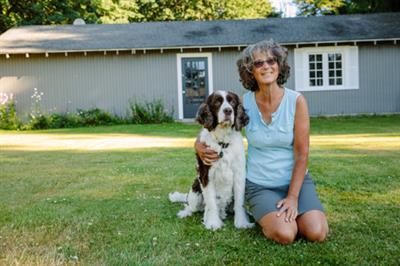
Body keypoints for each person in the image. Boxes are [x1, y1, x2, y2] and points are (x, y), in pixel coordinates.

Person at [195, 40, 328, 244]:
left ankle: (295, 214)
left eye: (271, 60)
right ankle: (277, 217)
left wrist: (293, 197)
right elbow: (213, 126)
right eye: (258, 63)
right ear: (250, 71)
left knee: (316, 232)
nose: (266, 66)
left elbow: (302, 154)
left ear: (279, 65)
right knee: (285, 234)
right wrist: (198, 145)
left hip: (296, 183)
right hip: (260, 185)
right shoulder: (243, 102)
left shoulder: (297, 101)